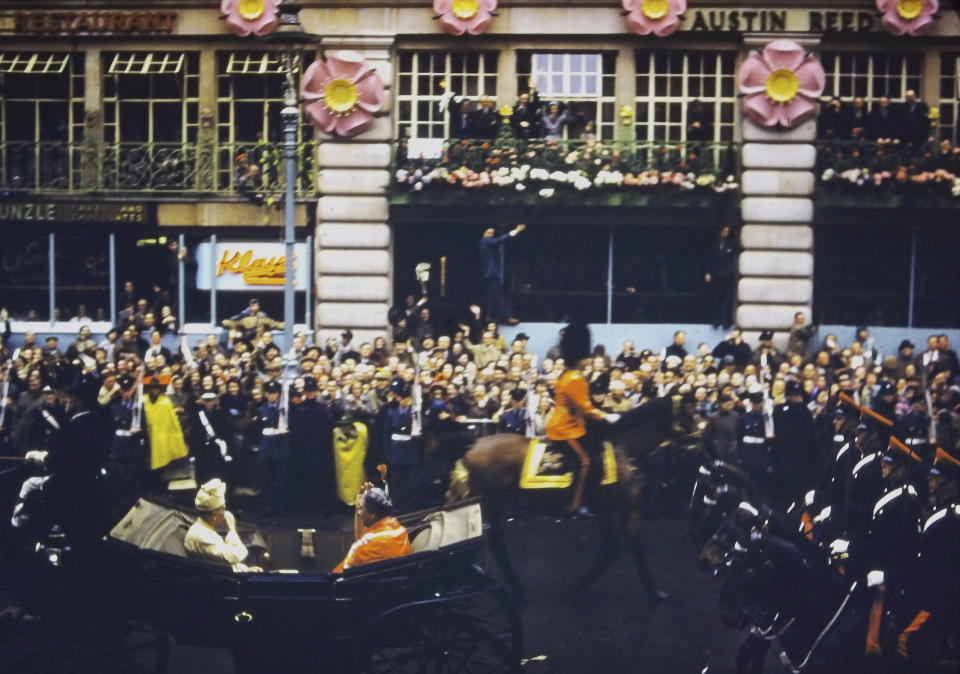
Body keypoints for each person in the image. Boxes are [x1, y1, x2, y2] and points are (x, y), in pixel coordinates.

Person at [545, 321, 620, 513]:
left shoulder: (567, 374)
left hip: (569, 423)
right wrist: (606, 416)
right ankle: (575, 504)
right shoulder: (575, 377)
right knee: (585, 461)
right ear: (581, 356)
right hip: (564, 428)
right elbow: (585, 408)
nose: (589, 358)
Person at [333, 482, 411, 573]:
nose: (358, 512)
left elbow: (339, 576)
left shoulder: (364, 546)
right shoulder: (401, 532)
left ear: (373, 513)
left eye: (361, 508)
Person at [184, 479, 252, 571]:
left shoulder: (203, 528)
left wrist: (246, 570)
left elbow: (219, 562)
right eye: (223, 509)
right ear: (215, 515)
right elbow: (234, 556)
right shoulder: (201, 536)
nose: (226, 512)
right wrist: (232, 529)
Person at [478, 223, 526, 325]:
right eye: (489, 233)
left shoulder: (485, 242)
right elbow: (499, 240)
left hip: (490, 273)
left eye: (492, 233)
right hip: (492, 273)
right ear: (483, 234)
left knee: (491, 296)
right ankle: (505, 317)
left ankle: (490, 316)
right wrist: (515, 231)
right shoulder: (485, 241)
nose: (491, 235)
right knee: (498, 295)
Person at [704, 226, 736, 329]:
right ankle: (716, 319)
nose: (726, 233)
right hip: (716, 274)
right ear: (720, 232)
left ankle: (726, 320)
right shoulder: (714, 243)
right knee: (716, 297)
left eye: (728, 232)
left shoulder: (731, 244)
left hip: (727, 274)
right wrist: (708, 272)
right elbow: (709, 258)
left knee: (727, 298)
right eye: (724, 231)